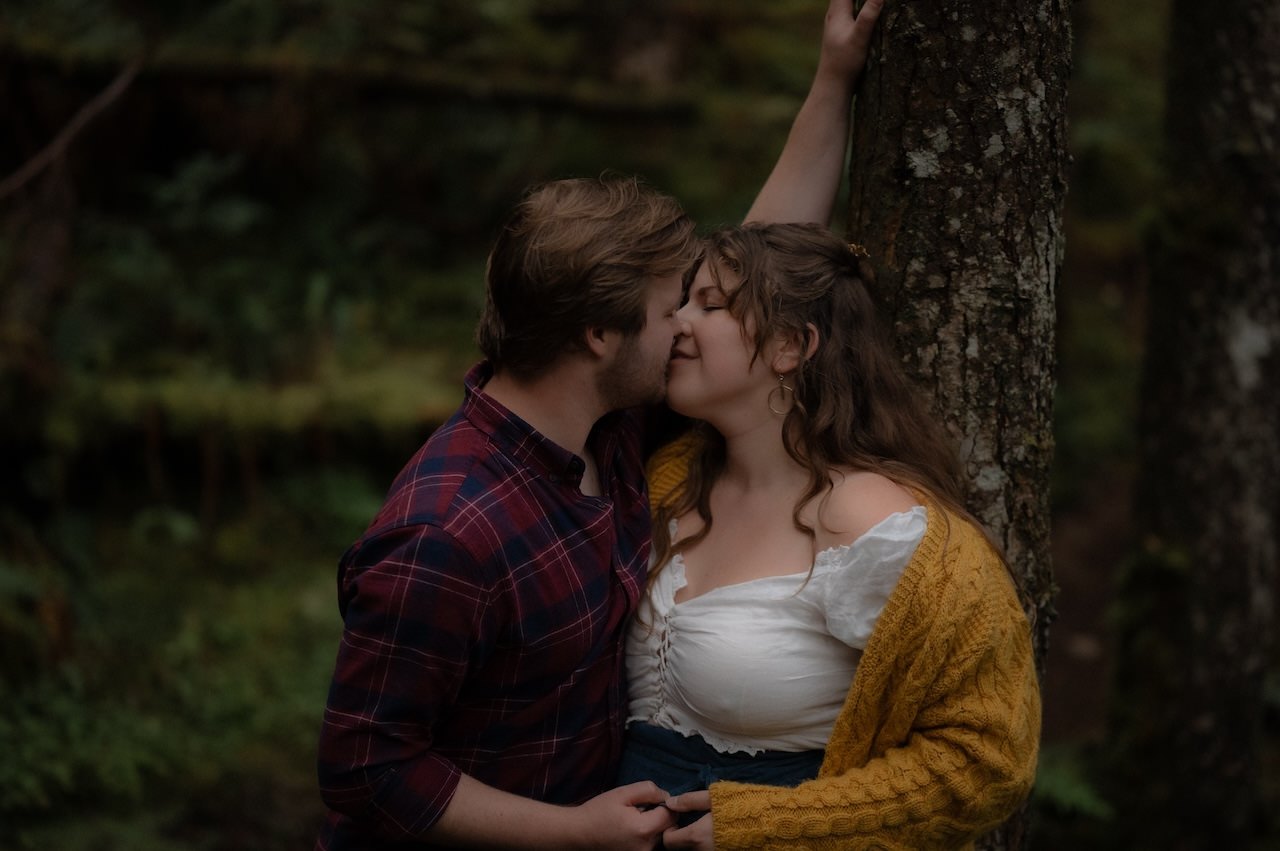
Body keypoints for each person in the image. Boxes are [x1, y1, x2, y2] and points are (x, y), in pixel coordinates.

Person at [313, 1, 886, 848]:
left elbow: (761, 272)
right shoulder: (447, 531)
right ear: (597, 334)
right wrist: (567, 831)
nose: (690, 325)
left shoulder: (610, 433)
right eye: (671, 310)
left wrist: (834, 75)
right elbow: (364, 761)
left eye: (699, 306)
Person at [618, 222, 1041, 850]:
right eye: (682, 301)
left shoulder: (889, 534)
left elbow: (987, 763)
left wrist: (773, 828)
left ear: (790, 346)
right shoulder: (668, 479)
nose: (676, 321)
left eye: (708, 305)